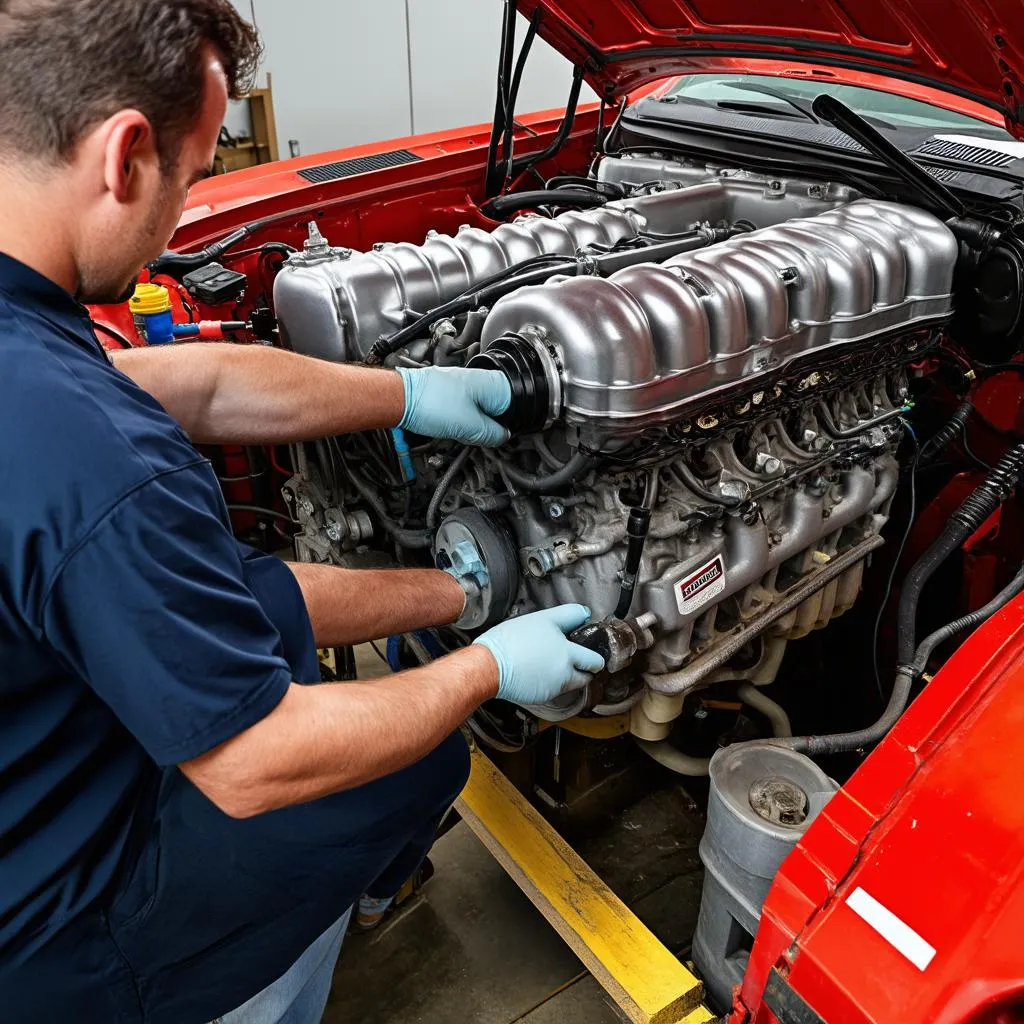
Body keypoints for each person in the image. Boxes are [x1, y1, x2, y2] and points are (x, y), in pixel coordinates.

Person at [0, 2, 606, 1022]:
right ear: (124, 154)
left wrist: (408, 396)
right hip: (58, 930)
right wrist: (488, 667)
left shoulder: (33, 343)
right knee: (416, 756)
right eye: (191, 178)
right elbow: (254, 756)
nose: (177, 215)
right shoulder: (92, 460)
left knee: (231, 617)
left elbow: (190, 390)